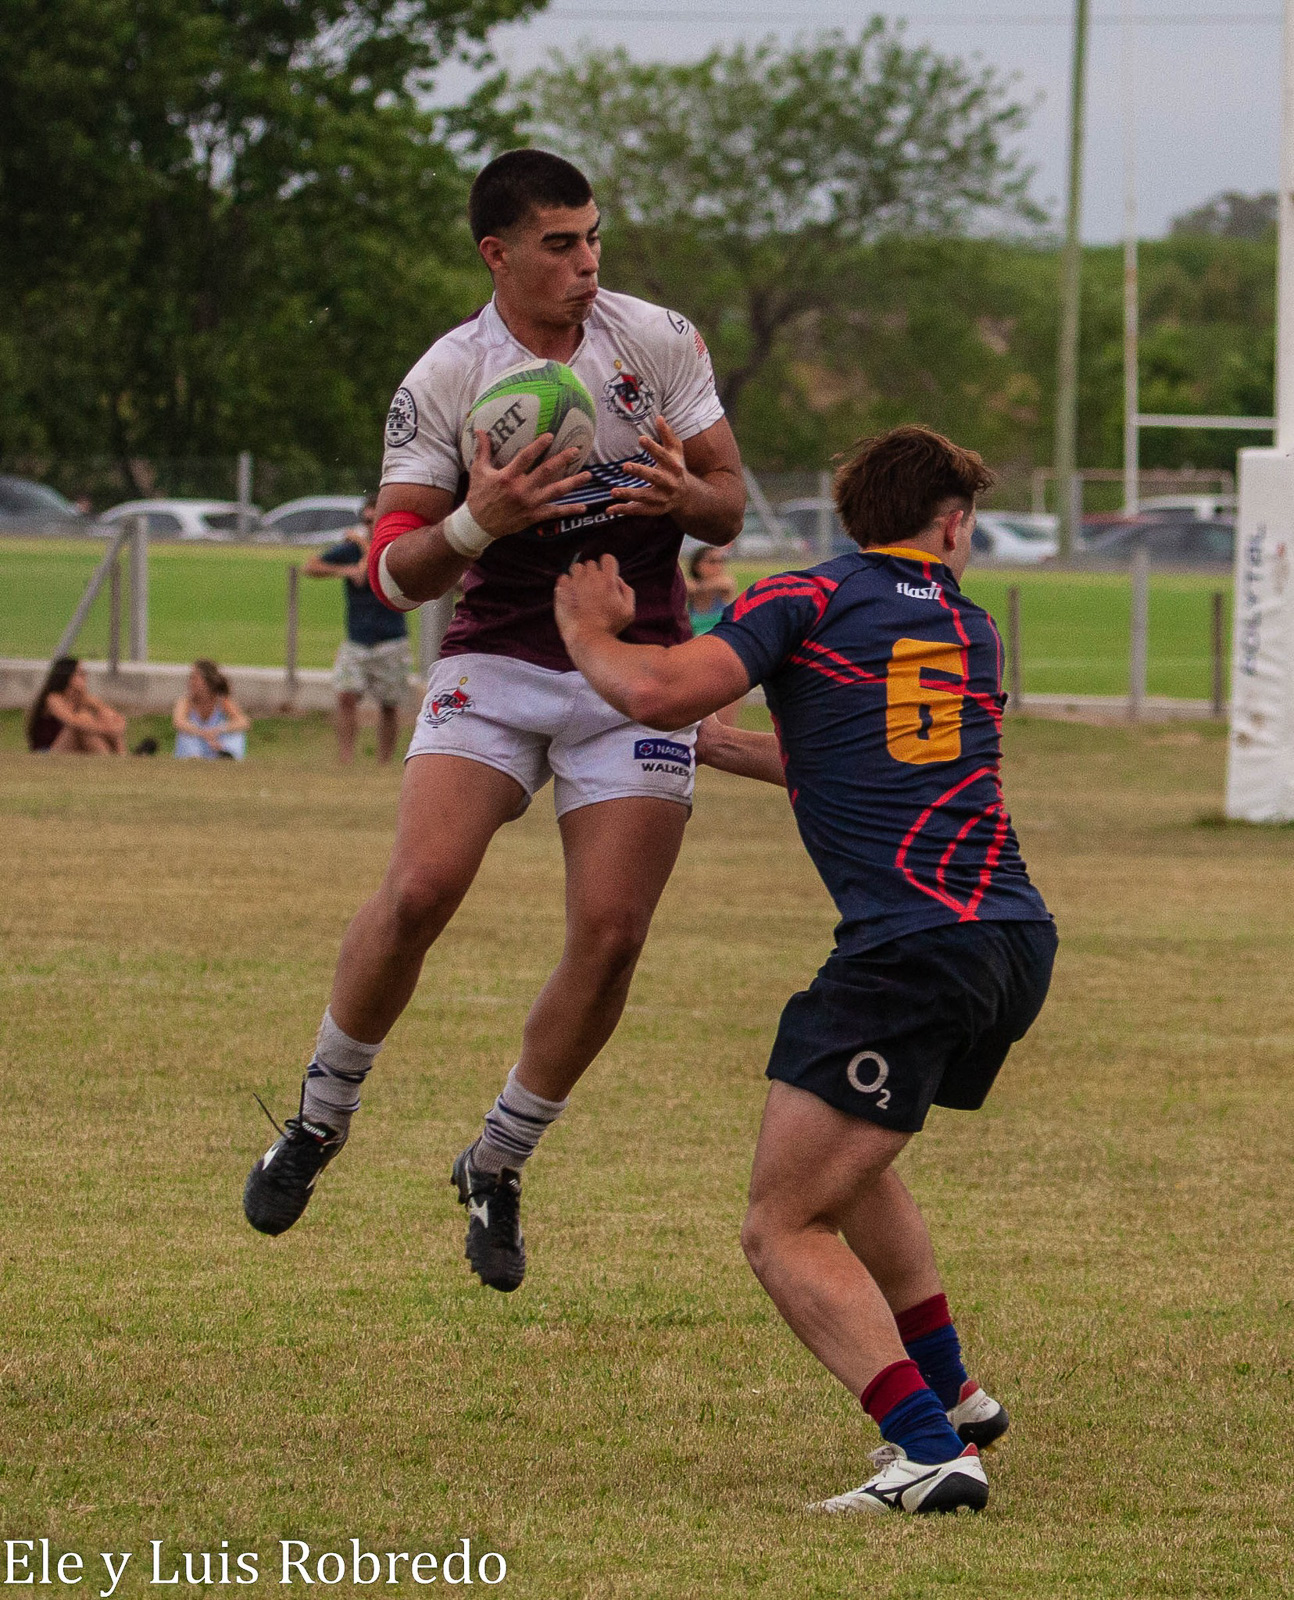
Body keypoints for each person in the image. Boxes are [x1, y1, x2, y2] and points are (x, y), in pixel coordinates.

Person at [241, 149, 746, 1292]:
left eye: (593, 238)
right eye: (560, 244)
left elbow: (728, 496)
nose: (586, 263)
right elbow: (392, 572)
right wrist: (478, 519)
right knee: (422, 887)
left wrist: (683, 499)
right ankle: (322, 1115)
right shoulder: (449, 374)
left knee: (612, 933)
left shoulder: (655, 338)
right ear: (498, 253)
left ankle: (498, 1158)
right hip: (501, 658)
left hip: (637, 667)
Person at [551, 425, 1056, 1516]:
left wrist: (591, 633)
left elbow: (658, 691)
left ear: (848, 517)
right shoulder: (969, 628)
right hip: (1009, 940)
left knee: (781, 1223)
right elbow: (867, 747)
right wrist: (734, 748)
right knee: (849, 1161)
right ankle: (954, 1391)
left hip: (907, 948)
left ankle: (924, 1449)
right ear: (952, 525)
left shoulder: (810, 599)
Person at [303, 494, 410, 765]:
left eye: (373, 519)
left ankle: (384, 761)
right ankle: (346, 759)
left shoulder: (394, 545)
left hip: (391, 636)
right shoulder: (350, 550)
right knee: (346, 695)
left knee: (389, 704)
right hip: (357, 637)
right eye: (365, 520)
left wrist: (364, 544)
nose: (368, 523)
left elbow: (372, 568)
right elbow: (311, 566)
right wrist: (344, 570)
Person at [26, 657, 128, 754]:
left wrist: (115, 724)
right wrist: (107, 729)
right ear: (68, 676)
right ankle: (110, 761)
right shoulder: (53, 698)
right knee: (84, 718)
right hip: (48, 751)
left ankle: (120, 760)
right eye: (80, 674)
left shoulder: (82, 698)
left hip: (71, 750)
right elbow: (72, 722)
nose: (85, 677)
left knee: (106, 716)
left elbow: (112, 714)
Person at [172, 659, 251, 759]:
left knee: (237, 734)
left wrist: (218, 730)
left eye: (195, 678)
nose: (190, 682)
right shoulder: (186, 702)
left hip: (215, 743)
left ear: (207, 682)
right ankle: (194, 757)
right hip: (197, 742)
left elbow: (243, 722)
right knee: (186, 736)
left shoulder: (222, 701)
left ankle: (227, 756)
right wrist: (203, 733)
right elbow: (178, 722)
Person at [685, 545, 736, 634]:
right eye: (712, 561)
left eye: (721, 561)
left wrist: (699, 586)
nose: (718, 566)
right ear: (697, 565)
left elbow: (727, 584)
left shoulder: (724, 585)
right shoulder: (689, 587)